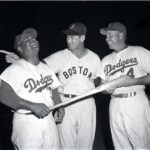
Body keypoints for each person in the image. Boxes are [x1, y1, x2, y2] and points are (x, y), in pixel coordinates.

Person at [6, 22, 102, 150]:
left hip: (87, 103)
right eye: (67, 36)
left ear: (82, 38)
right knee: (66, 145)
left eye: (72, 36)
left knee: (86, 144)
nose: (68, 39)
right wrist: (20, 59)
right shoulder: (60, 56)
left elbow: (98, 81)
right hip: (66, 102)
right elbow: (37, 66)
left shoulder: (94, 58)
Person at [0, 28, 63, 150]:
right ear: (20, 48)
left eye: (33, 38)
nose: (33, 40)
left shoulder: (46, 68)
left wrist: (59, 106)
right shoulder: (15, 69)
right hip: (27, 122)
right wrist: (31, 106)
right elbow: (4, 95)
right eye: (27, 39)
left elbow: (54, 90)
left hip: (49, 120)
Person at [99, 22, 150, 150]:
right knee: (120, 145)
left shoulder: (138, 51)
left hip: (135, 101)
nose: (107, 39)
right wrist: (105, 89)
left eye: (110, 35)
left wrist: (132, 82)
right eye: (106, 36)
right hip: (115, 103)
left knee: (141, 144)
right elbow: (102, 87)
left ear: (121, 35)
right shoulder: (105, 60)